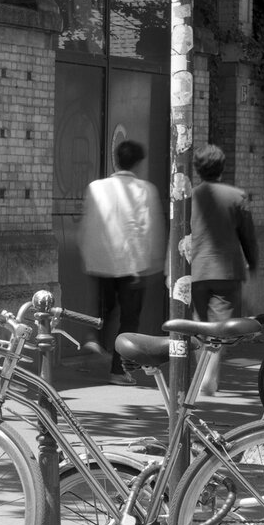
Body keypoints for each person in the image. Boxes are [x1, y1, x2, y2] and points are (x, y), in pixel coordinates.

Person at [78, 134, 166, 378]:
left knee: (103, 310)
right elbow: (148, 229)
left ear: (116, 161)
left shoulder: (96, 187)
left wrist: (88, 257)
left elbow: (87, 225)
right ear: (138, 164)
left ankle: (93, 339)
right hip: (131, 266)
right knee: (129, 321)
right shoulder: (145, 190)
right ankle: (119, 370)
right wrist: (154, 263)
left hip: (100, 263)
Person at [185, 142, 259, 320]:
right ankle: (215, 349)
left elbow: (179, 235)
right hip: (227, 273)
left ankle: (203, 348)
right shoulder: (236, 197)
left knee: (198, 327)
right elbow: (248, 237)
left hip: (196, 271)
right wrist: (253, 263)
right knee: (223, 331)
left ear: (197, 169)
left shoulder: (187, 199)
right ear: (222, 168)